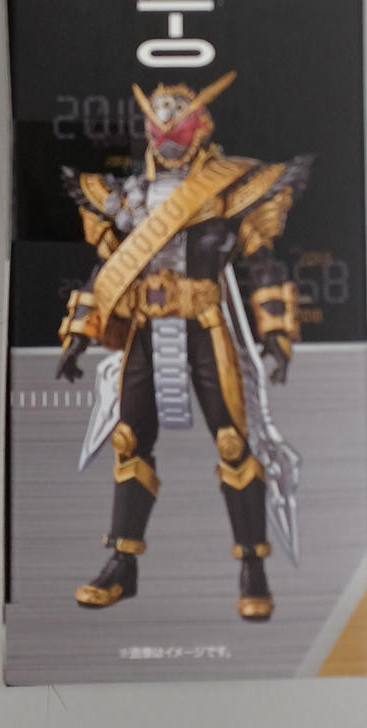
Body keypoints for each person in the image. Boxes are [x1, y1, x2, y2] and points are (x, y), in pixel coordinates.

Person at [55, 71, 310, 620]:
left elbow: (260, 263)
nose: (168, 137)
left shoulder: (229, 189)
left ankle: (253, 567)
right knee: (128, 441)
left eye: (179, 126)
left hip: (205, 324)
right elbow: (107, 270)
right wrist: (78, 334)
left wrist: (275, 333)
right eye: (159, 127)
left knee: (234, 445)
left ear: (200, 127)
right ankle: (121, 564)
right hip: (146, 327)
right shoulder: (128, 198)